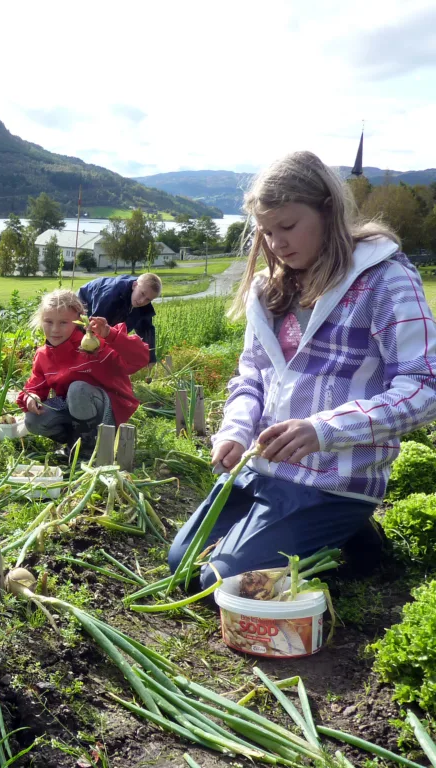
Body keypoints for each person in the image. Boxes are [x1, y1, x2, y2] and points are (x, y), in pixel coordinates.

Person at [168, 151, 436, 590]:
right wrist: (235, 431)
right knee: (181, 568)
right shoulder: (272, 288)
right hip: (263, 471)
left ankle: (349, 534)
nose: (276, 244)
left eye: (288, 227)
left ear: (328, 210)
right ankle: (328, 538)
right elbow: (251, 374)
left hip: (333, 479)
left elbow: (425, 386)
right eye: (267, 232)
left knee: (215, 583)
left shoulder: (384, 282)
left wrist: (323, 429)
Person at [16, 289, 149, 455]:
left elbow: (140, 359)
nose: (55, 329)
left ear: (78, 322)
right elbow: (35, 385)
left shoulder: (94, 343)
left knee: (77, 389)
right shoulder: (43, 355)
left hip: (109, 412)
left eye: (63, 322)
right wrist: (31, 396)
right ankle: (76, 442)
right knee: (33, 419)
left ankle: (88, 451)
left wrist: (110, 334)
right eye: (48, 322)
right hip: (75, 412)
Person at [78, 272, 161, 364]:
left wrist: (150, 358)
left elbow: (146, 329)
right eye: (142, 294)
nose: (142, 301)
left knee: (117, 337)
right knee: (91, 336)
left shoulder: (141, 301)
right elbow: (95, 323)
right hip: (84, 304)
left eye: (148, 299)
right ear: (134, 285)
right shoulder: (111, 294)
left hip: (118, 304)